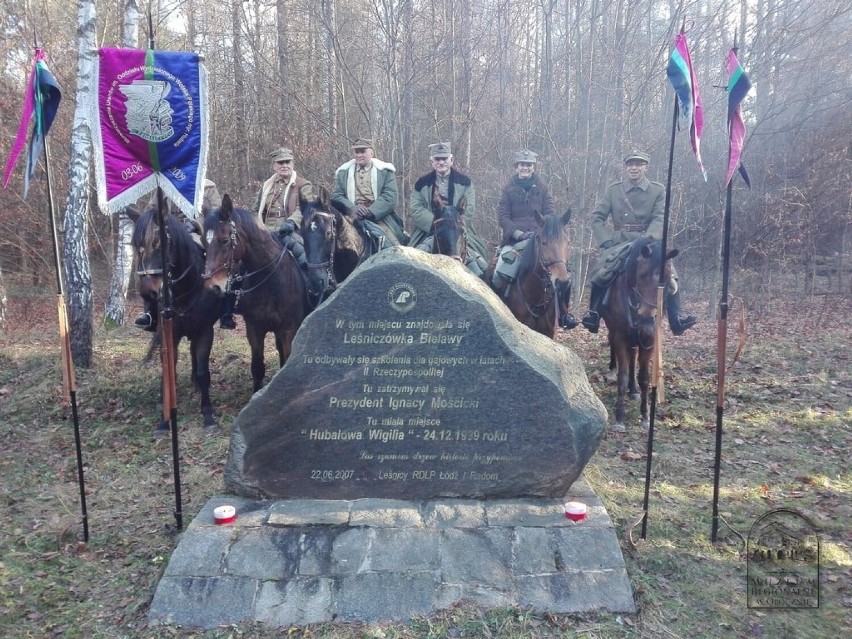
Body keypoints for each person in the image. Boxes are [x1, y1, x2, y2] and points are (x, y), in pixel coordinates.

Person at [580, 149, 696, 335]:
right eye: (630, 164)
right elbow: (597, 217)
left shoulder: (657, 190)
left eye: (638, 164)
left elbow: (660, 218)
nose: (634, 168)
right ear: (626, 167)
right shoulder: (614, 190)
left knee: (670, 275)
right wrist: (606, 241)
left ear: (645, 167)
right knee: (601, 272)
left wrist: (648, 238)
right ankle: (593, 315)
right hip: (620, 243)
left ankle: (677, 318)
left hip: (648, 242)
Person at [133, 179, 236, 330]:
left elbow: (216, 211)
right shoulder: (163, 185)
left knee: (213, 253)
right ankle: (149, 313)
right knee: (151, 257)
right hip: (168, 231)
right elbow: (152, 210)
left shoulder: (207, 186)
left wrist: (196, 223)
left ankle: (220, 307)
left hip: (195, 231)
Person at [490, 149, 577, 329]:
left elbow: (550, 214)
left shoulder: (543, 188)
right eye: (522, 164)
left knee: (563, 275)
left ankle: (564, 314)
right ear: (516, 167)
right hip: (516, 241)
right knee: (499, 271)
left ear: (533, 167)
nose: (525, 168)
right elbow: (503, 217)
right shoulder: (508, 189)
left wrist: (541, 231)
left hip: (541, 238)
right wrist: (518, 234)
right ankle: (496, 312)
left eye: (528, 165)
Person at [409, 142, 488, 275]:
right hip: (430, 230)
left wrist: (457, 225)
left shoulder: (465, 182)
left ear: (451, 160)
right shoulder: (421, 183)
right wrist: (434, 223)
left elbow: (469, 209)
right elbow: (416, 208)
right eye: (437, 159)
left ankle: (485, 286)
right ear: (432, 162)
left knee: (482, 267)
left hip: (458, 230)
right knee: (411, 262)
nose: (441, 162)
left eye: (444, 159)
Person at [330, 137, 408, 246]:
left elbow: (390, 197)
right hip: (350, 215)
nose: (359, 155)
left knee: (394, 246)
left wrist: (370, 212)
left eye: (363, 151)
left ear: (371, 152)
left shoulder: (385, 171)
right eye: (357, 152)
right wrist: (352, 208)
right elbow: (337, 196)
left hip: (379, 217)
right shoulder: (343, 172)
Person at [255, 146, 311, 269]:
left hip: (289, 230)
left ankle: (310, 286)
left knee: (304, 256)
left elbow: (305, 207)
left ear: (292, 164)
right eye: (280, 162)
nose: (284, 165)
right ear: (274, 166)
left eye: (287, 162)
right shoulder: (266, 186)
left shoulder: (303, 184)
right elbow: (255, 210)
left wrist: (291, 222)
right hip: (265, 231)